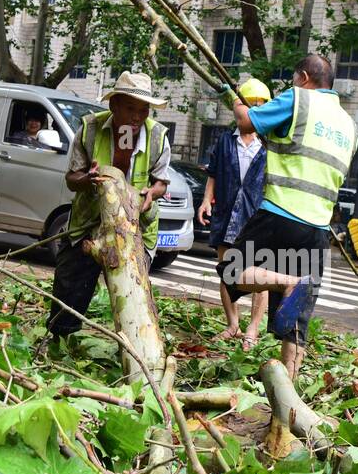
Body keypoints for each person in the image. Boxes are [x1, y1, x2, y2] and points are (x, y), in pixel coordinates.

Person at [218, 54, 358, 378]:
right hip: (317, 228)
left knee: (231, 272)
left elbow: (247, 122)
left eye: (295, 80)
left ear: (305, 78)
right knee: (297, 325)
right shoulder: (349, 125)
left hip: (279, 212)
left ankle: (286, 282)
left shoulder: (299, 99)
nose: (293, 86)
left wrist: (232, 97)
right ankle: (289, 396)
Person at [47, 71, 171, 342]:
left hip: (136, 226)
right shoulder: (90, 129)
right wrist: (88, 179)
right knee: (70, 283)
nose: (137, 117)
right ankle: (59, 340)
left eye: (144, 110)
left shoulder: (158, 136)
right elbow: (71, 179)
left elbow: (161, 182)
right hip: (89, 223)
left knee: (132, 293)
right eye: (130, 109)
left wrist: (151, 193)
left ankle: (133, 348)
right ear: (114, 104)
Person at [199, 78, 271, 350]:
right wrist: (207, 201)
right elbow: (213, 174)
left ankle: (252, 329)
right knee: (226, 271)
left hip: (256, 217)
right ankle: (232, 325)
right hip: (227, 213)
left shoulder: (268, 145)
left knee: (259, 276)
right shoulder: (225, 141)